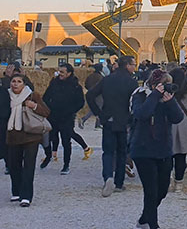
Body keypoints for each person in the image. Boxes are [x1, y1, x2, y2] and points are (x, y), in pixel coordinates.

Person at [129, 69, 184, 229]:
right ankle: (153, 228)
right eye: (163, 84)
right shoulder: (140, 95)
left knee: (162, 189)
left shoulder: (166, 98)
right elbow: (141, 114)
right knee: (151, 190)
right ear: (153, 84)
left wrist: (170, 102)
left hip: (164, 149)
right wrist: (154, 95)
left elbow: (177, 118)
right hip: (143, 149)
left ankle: (143, 220)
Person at [86, 55, 139, 197]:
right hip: (124, 120)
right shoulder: (132, 82)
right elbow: (135, 103)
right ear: (127, 65)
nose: (135, 67)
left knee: (108, 151)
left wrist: (98, 113)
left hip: (108, 119)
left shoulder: (107, 80)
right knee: (122, 152)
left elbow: (90, 95)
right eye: (133, 64)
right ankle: (119, 183)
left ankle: (108, 177)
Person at [5, 73, 51, 206]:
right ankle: (16, 191)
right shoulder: (6, 96)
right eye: (13, 81)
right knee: (14, 166)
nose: (15, 84)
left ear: (24, 84)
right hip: (13, 135)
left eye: (19, 81)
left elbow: (46, 111)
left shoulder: (32, 95)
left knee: (28, 166)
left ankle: (26, 196)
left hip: (31, 136)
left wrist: (34, 106)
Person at [42, 63, 89, 175]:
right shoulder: (54, 83)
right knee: (50, 138)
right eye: (59, 71)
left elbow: (80, 102)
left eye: (62, 72)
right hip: (53, 116)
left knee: (66, 141)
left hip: (67, 117)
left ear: (69, 73)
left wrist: (70, 111)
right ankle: (48, 156)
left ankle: (66, 165)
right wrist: (48, 108)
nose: (60, 74)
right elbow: (46, 97)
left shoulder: (75, 86)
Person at [79, 64, 104, 129]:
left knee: (95, 108)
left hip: (90, 93)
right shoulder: (100, 77)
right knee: (96, 109)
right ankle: (84, 119)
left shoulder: (90, 76)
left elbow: (86, 85)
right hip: (99, 95)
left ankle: (97, 124)